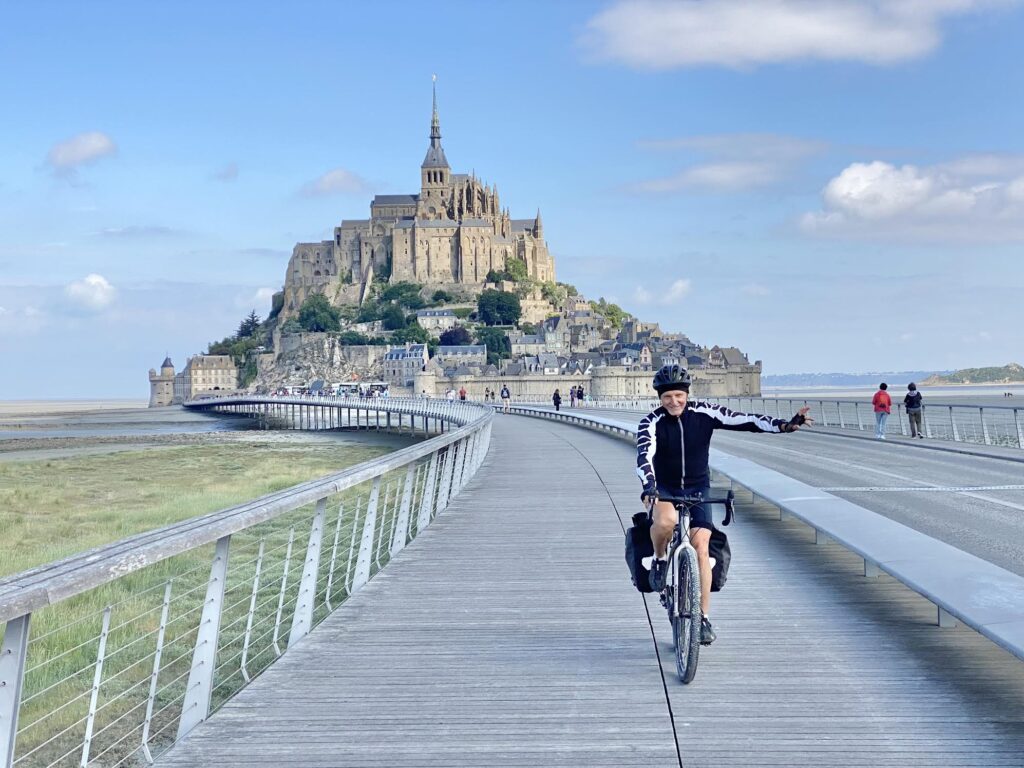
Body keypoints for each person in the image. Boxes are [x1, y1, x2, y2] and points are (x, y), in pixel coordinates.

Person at [637, 365, 812, 645]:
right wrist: (649, 486)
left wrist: (785, 425)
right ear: (660, 397)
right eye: (668, 396)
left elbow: (746, 420)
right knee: (666, 522)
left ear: (687, 394)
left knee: (702, 547)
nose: (674, 402)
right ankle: (660, 560)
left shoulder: (705, 413)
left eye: (679, 395)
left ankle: (702, 617)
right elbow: (645, 454)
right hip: (664, 488)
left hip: (697, 487)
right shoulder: (651, 422)